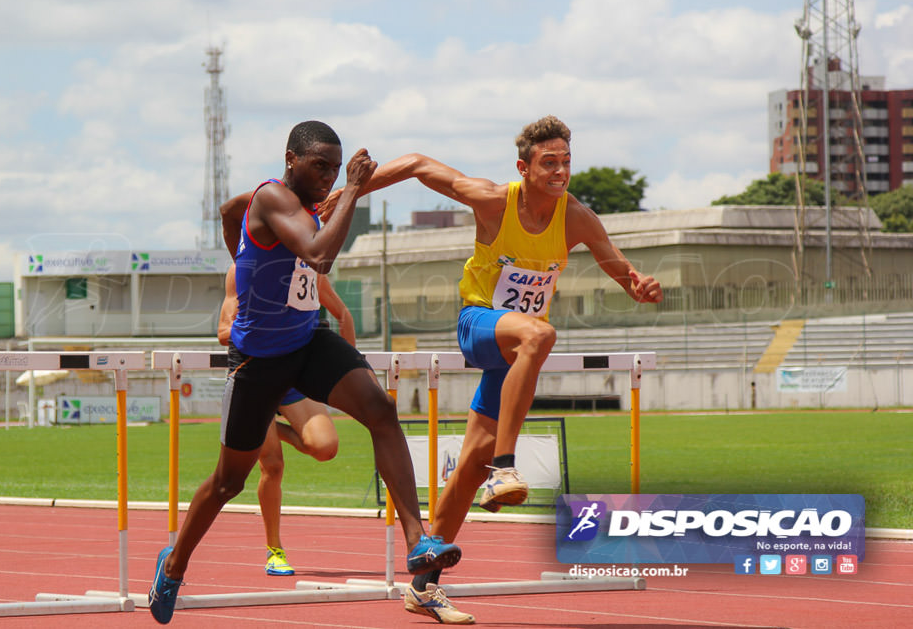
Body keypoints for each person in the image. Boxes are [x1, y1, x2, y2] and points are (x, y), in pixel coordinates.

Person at [321, 115, 663, 624]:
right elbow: (417, 164)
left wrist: (637, 285)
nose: (561, 171)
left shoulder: (578, 218)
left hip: (516, 354)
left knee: (468, 466)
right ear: (523, 168)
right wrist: (352, 190)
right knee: (541, 333)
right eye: (550, 162)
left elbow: (617, 265)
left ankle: (424, 584)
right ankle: (506, 467)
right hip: (480, 323)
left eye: (566, 161)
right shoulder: (491, 200)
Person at [147, 120, 461, 625]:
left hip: (307, 340)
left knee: (380, 410)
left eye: (335, 170)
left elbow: (232, 213)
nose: (328, 177)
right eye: (320, 166)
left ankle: (418, 541)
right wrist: (352, 189)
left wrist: (244, 250)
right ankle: (175, 562)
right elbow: (319, 255)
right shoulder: (271, 199)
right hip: (258, 361)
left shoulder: (305, 203)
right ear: (289, 159)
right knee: (230, 482)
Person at [215, 216, 355, 576]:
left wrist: (351, 376)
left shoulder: (309, 268)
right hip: (257, 372)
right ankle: (274, 550)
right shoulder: (241, 269)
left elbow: (344, 315)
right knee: (271, 465)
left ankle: (269, 426)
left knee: (325, 447)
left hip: (294, 377)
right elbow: (222, 331)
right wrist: (259, 323)